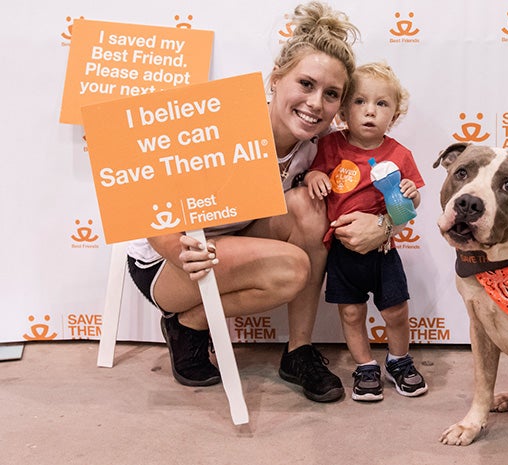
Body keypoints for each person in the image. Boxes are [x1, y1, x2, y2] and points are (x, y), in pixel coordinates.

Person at [126, 1, 359, 403]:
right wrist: (176, 250)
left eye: (331, 94)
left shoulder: (313, 149)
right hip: (166, 261)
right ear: (275, 79)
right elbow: (146, 201)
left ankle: (294, 351)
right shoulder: (223, 120)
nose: (316, 103)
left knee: (311, 205)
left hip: (230, 239)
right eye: (306, 84)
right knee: (291, 269)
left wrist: (387, 225)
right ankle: (189, 322)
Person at [305, 62, 428, 401]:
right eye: (360, 102)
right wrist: (315, 177)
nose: (370, 111)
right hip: (343, 251)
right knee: (351, 311)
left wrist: (411, 193)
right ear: (343, 110)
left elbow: (411, 200)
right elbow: (315, 172)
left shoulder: (399, 154)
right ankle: (364, 365)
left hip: (384, 250)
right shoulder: (331, 146)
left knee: (396, 309)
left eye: (382, 104)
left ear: (395, 113)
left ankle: (399, 360)